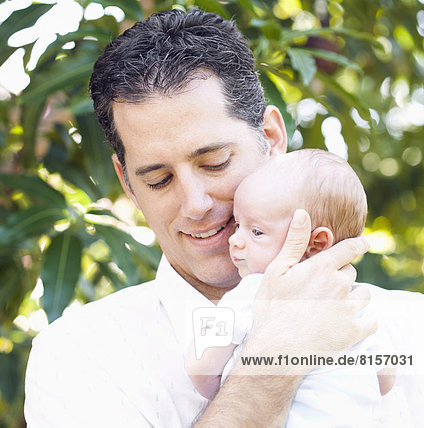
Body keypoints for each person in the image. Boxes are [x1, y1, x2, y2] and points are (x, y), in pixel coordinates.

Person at [24, 9, 420, 427]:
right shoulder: (79, 355)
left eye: (215, 163)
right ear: (128, 185)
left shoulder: (411, 326)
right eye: (159, 179)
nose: (195, 204)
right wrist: (274, 356)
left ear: (271, 139)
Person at [185, 149, 395, 426]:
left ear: (315, 244)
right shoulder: (354, 302)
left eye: (256, 232)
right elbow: (386, 379)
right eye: (238, 225)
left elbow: (200, 367)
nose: (235, 240)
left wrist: (227, 388)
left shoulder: (253, 290)